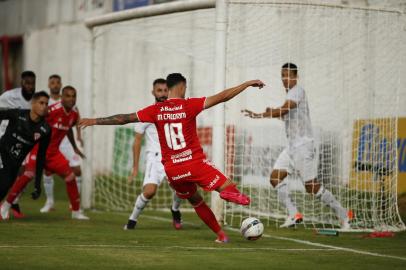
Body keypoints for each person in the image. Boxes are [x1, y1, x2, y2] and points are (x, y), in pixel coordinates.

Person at [79, 73, 265, 242]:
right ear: (182, 86)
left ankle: (221, 235)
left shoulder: (155, 110)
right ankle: (229, 194)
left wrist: (95, 121)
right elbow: (223, 96)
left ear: (167, 88)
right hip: (194, 162)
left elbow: (123, 119)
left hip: (173, 171)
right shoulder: (189, 104)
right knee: (228, 186)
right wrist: (247, 83)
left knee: (196, 201)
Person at [242, 63, 351, 229]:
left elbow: (284, 111)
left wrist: (261, 114)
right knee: (275, 178)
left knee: (311, 187)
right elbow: (284, 114)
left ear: (295, 77)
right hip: (291, 147)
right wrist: (268, 113)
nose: (284, 79)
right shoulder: (289, 96)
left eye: (288, 75)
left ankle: (344, 214)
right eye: (282, 76)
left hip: (303, 146)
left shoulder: (297, 91)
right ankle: (294, 214)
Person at [1, 86, 89, 220]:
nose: (71, 99)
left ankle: (76, 212)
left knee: (71, 176)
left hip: (54, 154)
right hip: (39, 149)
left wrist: (74, 147)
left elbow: (68, 129)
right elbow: (37, 121)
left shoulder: (74, 114)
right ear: (61, 97)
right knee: (27, 174)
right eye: (68, 96)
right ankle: (5, 206)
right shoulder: (52, 110)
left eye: (73, 96)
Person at [125, 78, 183, 230]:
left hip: (173, 157)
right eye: (159, 90)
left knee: (182, 189)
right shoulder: (147, 113)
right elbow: (137, 140)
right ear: (153, 92)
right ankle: (132, 221)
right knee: (149, 191)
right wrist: (135, 167)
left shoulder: (175, 111)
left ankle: (175, 210)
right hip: (155, 158)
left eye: (165, 90)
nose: (163, 94)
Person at [0, 91, 51, 218]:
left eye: (46, 104)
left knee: (4, 188)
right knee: (4, 183)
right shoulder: (18, 114)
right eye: (41, 103)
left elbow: (41, 157)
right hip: (2, 153)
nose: (44, 106)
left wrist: (37, 184)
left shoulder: (45, 129)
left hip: (14, 164)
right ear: (33, 103)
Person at [40, 74, 84, 213]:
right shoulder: (45, 102)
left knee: (77, 170)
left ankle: (75, 204)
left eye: (57, 82)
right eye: (52, 82)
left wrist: (78, 137)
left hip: (65, 141)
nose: (55, 85)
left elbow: (75, 119)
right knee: (47, 171)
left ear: (61, 85)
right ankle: (50, 202)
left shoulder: (69, 101)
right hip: (51, 141)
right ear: (48, 84)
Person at [0, 70, 37, 218]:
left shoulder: (36, 101)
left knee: (23, 173)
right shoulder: (9, 96)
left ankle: (12, 201)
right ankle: (10, 203)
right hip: (5, 137)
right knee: (7, 174)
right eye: (27, 83)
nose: (30, 86)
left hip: (23, 142)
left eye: (32, 83)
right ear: (21, 83)